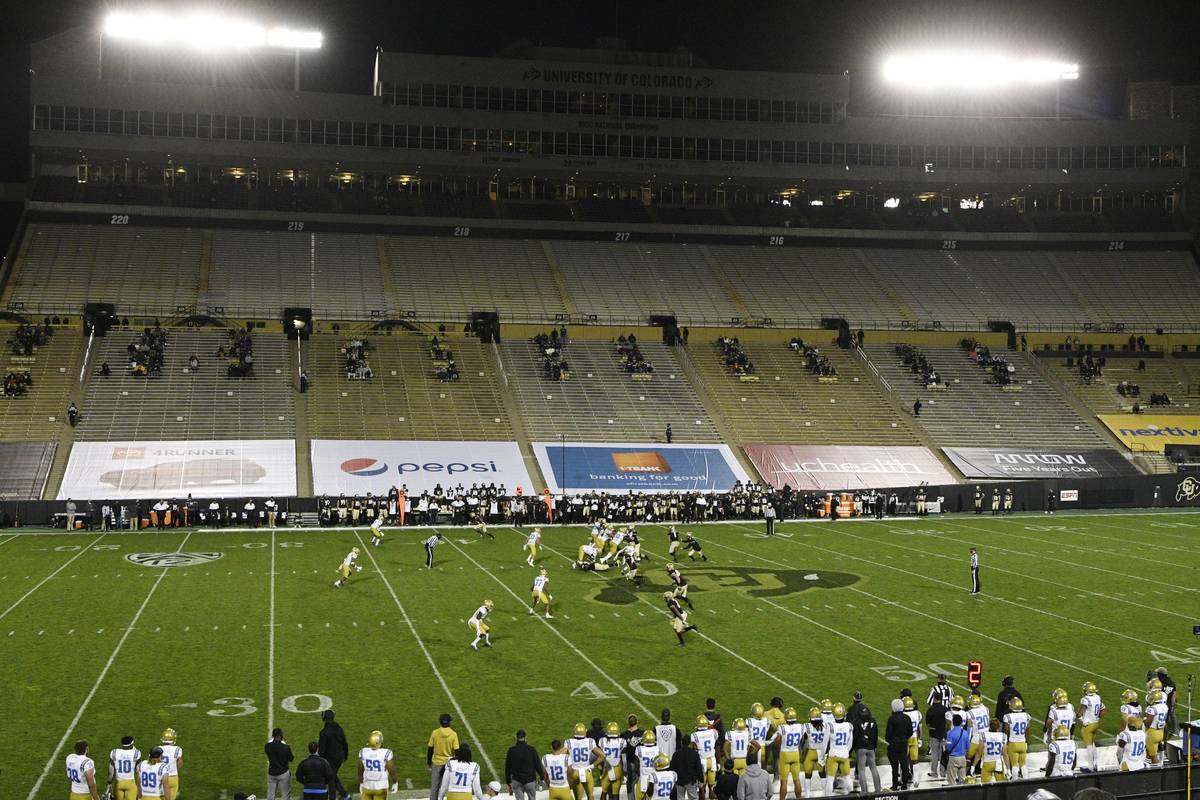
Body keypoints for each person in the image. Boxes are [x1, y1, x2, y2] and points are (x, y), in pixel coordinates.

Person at [772, 707, 804, 800]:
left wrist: (778, 745)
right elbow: (802, 739)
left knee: (784, 781)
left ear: (786, 718)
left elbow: (777, 741)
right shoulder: (800, 727)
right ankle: (799, 798)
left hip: (785, 754)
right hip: (795, 753)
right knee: (797, 780)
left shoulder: (782, 728)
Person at [318, 710, 350, 800]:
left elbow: (322, 750)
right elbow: (344, 743)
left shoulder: (323, 732)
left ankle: (334, 797)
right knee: (332, 775)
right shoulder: (339, 729)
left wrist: (321, 761)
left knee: (330, 779)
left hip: (330, 759)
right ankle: (344, 795)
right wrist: (345, 755)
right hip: (340, 756)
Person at [505, 729, 545, 800]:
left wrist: (508, 781)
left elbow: (507, 767)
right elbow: (537, 765)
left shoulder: (511, 750)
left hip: (517, 781)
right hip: (530, 780)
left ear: (516, 737)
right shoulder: (531, 749)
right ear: (525, 737)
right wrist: (542, 776)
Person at [428, 714, 460, 800]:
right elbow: (457, 752)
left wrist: (428, 763)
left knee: (434, 786)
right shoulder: (453, 734)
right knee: (447, 786)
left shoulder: (435, 733)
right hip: (448, 764)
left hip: (436, 762)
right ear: (449, 722)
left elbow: (430, 749)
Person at [567, 723, 602, 800]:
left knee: (578, 798)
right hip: (586, 771)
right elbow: (602, 755)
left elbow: (562, 757)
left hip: (575, 772)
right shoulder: (590, 741)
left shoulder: (569, 742)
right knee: (590, 796)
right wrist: (592, 766)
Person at [823, 704, 853, 795]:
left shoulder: (830, 726)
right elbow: (850, 743)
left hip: (833, 755)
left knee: (830, 779)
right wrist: (845, 752)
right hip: (844, 755)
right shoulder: (849, 725)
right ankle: (852, 796)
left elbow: (825, 743)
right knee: (847, 777)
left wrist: (822, 757)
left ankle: (828, 797)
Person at [358, 730, 395, 800]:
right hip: (381, 787)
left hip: (367, 786)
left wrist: (361, 782)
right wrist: (395, 782)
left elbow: (360, 768)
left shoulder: (363, 751)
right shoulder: (386, 752)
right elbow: (391, 769)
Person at [853, 704, 881, 794]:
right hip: (871, 748)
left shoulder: (857, 721)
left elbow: (855, 735)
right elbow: (875, 735)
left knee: (861, 770)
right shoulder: (873, 720)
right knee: (873, 768)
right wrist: (874, 747)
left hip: (861, 749)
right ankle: (878, 790)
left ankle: (864, 791)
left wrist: (854, 747)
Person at [1078, 681, 1105, 772]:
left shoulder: (1085, 699)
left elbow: (1082, 711)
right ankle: (1095, 764)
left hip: (1088, 725)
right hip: (1095, 723)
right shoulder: (1098, 697)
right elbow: (1103, 709)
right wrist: (1096, 717)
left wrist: (1077, 716)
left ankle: (1090, 767)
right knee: (1093, 744)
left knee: (1089, 745)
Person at [885, 699, 912, 790]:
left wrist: (891, 741)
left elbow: (888, 734)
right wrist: (904, 739)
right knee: (904, 766)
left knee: (895, 767)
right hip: (904, 745)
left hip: (894, 745)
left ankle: (895, 785)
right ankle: (904, 785)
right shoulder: (907, 718)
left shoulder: (891, 719)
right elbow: (910, 732)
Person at [1003, 698, 1031, 779]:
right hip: (1023, 742)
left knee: (1014, 764)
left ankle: (1014, 781)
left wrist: (1006, 742)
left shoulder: (1008, 716)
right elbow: (1028, 730)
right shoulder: (1026, 716)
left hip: (1013, 743)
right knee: (1023, 764)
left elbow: (1006, 730)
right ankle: (1026, 780)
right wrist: (1027, 742)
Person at [597, 723, 625, 800]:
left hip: (607, 768)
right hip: (617, 769)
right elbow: (623, 757)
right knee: (616, 794)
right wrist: (625, 770)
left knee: (604, 792)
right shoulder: (622, 741)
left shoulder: (602, 741)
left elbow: (599, 755)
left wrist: (600, 766)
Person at [266, 728, 294, 800]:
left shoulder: (267, 746)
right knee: (285, 796)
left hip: (271, 773)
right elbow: (291, 759)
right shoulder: (285, 747)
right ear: (281, 736)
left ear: (273, 736)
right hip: (283, 773)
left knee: (271, 796)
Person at [109, 735, 141, 800]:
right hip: (130, 783)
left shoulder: (114, 752)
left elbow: (111, 773)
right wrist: (139, 786)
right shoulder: (136, 753)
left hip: (118, 783)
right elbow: (139, 772)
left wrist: (109, 783)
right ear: (132, 744)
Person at [925, 695, 948, 781]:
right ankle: (943, 772)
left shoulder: (931, 709)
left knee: (934, 754)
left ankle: (934, 773)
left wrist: (930, 729)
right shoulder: (946, 709)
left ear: (934, 699)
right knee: (943, 754)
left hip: (934, 734)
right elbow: (948, 722)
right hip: (943, 734)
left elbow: (927, 723)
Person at [943, 714, 971, 785]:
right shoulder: (965, 733)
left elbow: (948, 747)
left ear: (953, 722)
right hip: (962, 757)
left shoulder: (950, 733)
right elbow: (968, 746)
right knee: (962, 781)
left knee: (952, 780)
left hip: (953, 758)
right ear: (961, 722)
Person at [158, 728, 183, 800]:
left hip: (161, 777)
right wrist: (175, 769)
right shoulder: (177, 749)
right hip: (173, 777)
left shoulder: (157, 748)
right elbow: (180, 764)